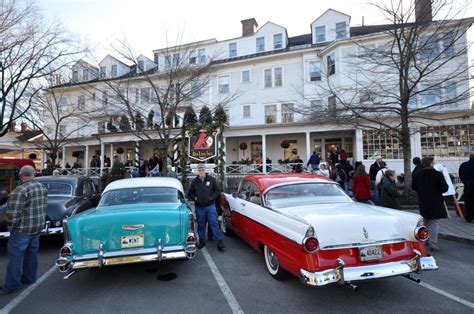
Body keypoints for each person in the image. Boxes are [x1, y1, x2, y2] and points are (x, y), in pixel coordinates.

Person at [1, 166, 47, 295]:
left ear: (21, 176)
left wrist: (12, 227)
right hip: (37, 226)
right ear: (33, 174)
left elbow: (12, 214)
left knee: (16, 256)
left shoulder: (19, 190)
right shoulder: (41, 187)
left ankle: (12, 285)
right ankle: (29, 278)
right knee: (32, 254)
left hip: (22, 229)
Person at [412, 157, 449, 252]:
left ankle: (424, 241)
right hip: (435, 200)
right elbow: (444, 188)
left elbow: (413, 187)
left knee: (425, 221)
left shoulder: (417, 174)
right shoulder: (437, 174)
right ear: (431, 163)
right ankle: (433, 243)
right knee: (434, 222)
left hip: (423, 200)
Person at [188, 164, 225, 251]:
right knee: (201, 225)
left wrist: (211, 198)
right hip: (199, 207)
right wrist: (195, 198)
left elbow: (217, 191)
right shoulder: (194, 181)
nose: (201, 171)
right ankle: (202, 241)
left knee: (214, 223)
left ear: (205, 170)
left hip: (210, 206)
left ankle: (219, 242)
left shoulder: (211, 180)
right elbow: (190, 193)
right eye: (199, 170)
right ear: (197, 171)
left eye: (202, 170)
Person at [459, 153, 474, 223]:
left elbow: (461, 174)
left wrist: (465, 182)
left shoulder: (463, 165)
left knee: (468, 201)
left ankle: (468, 217)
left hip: (467, 185)